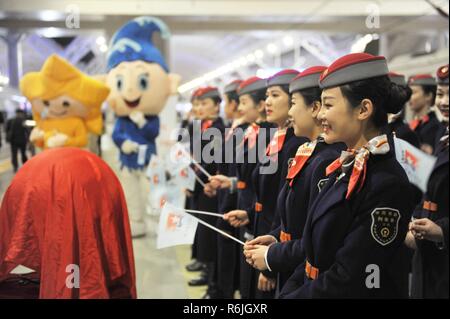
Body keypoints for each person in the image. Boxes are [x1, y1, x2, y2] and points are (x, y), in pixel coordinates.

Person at [278, 53, 416, 298]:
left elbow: (349, 279)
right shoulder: (347, 165)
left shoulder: (387, 183)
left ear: (363, 109)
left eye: (329, 105)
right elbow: (314, 252)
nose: (320, 115)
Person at [243, 66, 345, 293]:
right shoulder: (306, 150)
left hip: (300, 267)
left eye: (292, 103)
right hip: (287, 256)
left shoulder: (326, 159)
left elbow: (315, 237)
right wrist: (273, 237)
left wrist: (272, 259)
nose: (289, 113)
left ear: (314, 108)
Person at [0, 148, 136, 298]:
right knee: (79, 248)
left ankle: (76, 280)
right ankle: (80, 279)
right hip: (98, 178)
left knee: (66, 249)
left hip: (46, 184)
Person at [407, 64, 449, 299]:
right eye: (442, 94)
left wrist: (442, 230)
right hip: (431, 257)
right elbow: (431, 190)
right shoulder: (443, 137)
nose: (444, 102)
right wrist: (416, 217)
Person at [187, 87, 225, 298]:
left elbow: (214, 163)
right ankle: (205, 270)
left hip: (212, 189)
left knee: (209, 235)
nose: (198, 108)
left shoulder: (219, 129)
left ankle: (211, 280)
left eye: (203, 104)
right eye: (196, 104)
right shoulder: (202, 126)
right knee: (202, 232)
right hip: (200, 187)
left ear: (217, 105)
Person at [407, 74, 445, 154]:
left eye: (413, 92)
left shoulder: (436, 127)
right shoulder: (409, 125)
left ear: (428, 96)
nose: (409, 97)